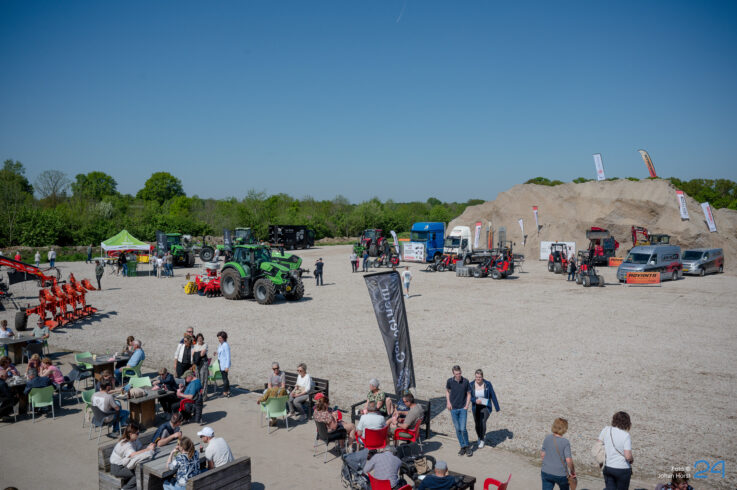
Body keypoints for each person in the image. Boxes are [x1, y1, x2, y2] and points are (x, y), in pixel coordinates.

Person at [110, 422, 156, 490]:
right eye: (137, 433)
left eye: (138, 433)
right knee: (138, 473)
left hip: (125, 464)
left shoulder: (134, 439)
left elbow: (139, 449)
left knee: (141, 477)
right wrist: (147, 449)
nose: (138, 435)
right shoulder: (126, 444)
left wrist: (148, 447)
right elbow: (132, 455)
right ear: (130, 434)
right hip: (117, 468)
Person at [599, 411, 634, 490]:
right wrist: (632, 459)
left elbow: (599, 445)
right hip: (622, 468)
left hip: (608, 466)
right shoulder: (626, 435)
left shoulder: (606, 430)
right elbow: (628, 456)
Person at [540, 417, 576, 490]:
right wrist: (572, 472)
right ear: (564, 429)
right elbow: (568, 460)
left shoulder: (547, 438)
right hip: (561, 474)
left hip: (546, 471)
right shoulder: (565, 442)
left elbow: (542, 455)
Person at [446, 365, 472, 456]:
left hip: (462, 408)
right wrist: (448, 402)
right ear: (453, 373)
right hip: (453, 409)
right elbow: (447, 391)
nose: (458, 375)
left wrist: (466, 405)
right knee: (457, 429)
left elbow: (469, 394)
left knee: (463, 429)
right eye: (456, 374)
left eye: (459, 373)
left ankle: (467, 446)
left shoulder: (465, 381)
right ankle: (462, 446)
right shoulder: (450, 381)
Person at [470, 369, 500, 449]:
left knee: (482, 422)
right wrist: (475, 400)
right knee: (477, 424)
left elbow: (493, 395)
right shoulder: (471, 384)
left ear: (482, 377)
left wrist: (497, 407)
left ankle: (482, 439)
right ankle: (479, 436)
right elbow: (469, 396)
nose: (478, 379)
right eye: (476, 377)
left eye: (479, 377)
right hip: (476, 407)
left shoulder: (488, 384)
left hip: (486, 406)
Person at [191, 333, 209, 400]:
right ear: (197, 339)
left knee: (203, 380)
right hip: (197, 364)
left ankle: (204, 396)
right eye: (198, 338)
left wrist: (196, 353)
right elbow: (193, 354)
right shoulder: (194, 346)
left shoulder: (205, 345)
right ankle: (198, 395)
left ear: (203, 339)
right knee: (197, 379)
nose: (200, 340)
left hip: (203, 363)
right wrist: (198, 352)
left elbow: (202, 354)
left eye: (201, 338)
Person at [216, 331, 230, 397]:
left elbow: (228, 356)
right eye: (218, 338)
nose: (219, 339)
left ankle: (225, 392)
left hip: (224, 365)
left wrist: (227, 366)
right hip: (221, 363)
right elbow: (220, 352)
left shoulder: (225, 345)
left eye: (220, 338)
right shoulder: (220, 344)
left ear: (224, 338)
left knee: (225, 379)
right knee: (225, 378)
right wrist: (216, 353)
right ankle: (228, 391)